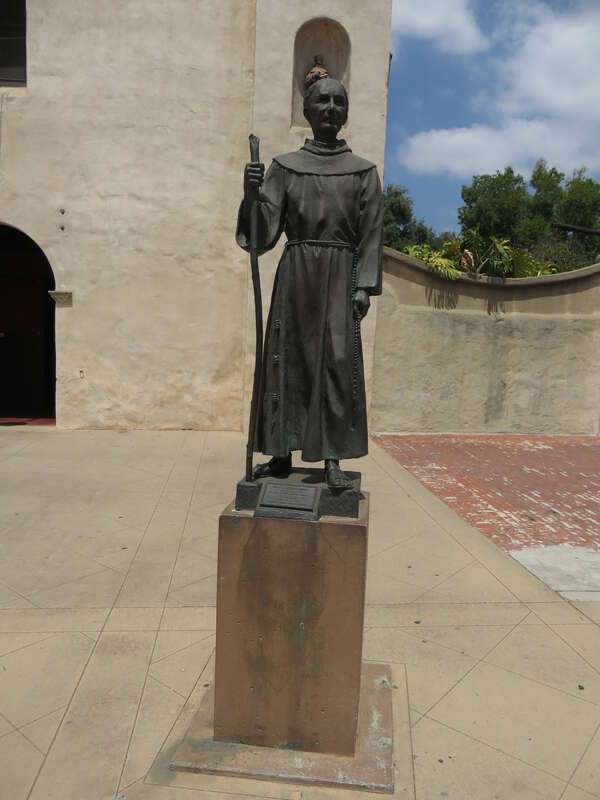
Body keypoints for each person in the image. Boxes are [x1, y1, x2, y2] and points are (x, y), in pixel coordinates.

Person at [237, 59, 384, 488]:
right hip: (296, 274)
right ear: (308, 111)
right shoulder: (284, 167)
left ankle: (332, 457)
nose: (331, 108)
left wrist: (363, 288)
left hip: (340, 276)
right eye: (323, 101)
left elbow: (371, 235)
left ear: (346, 112)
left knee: (338, 366)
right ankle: (281, 453)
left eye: (339, 102)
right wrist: (251, 195)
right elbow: (261, 233)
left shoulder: (363, 172)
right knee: (287, 361)